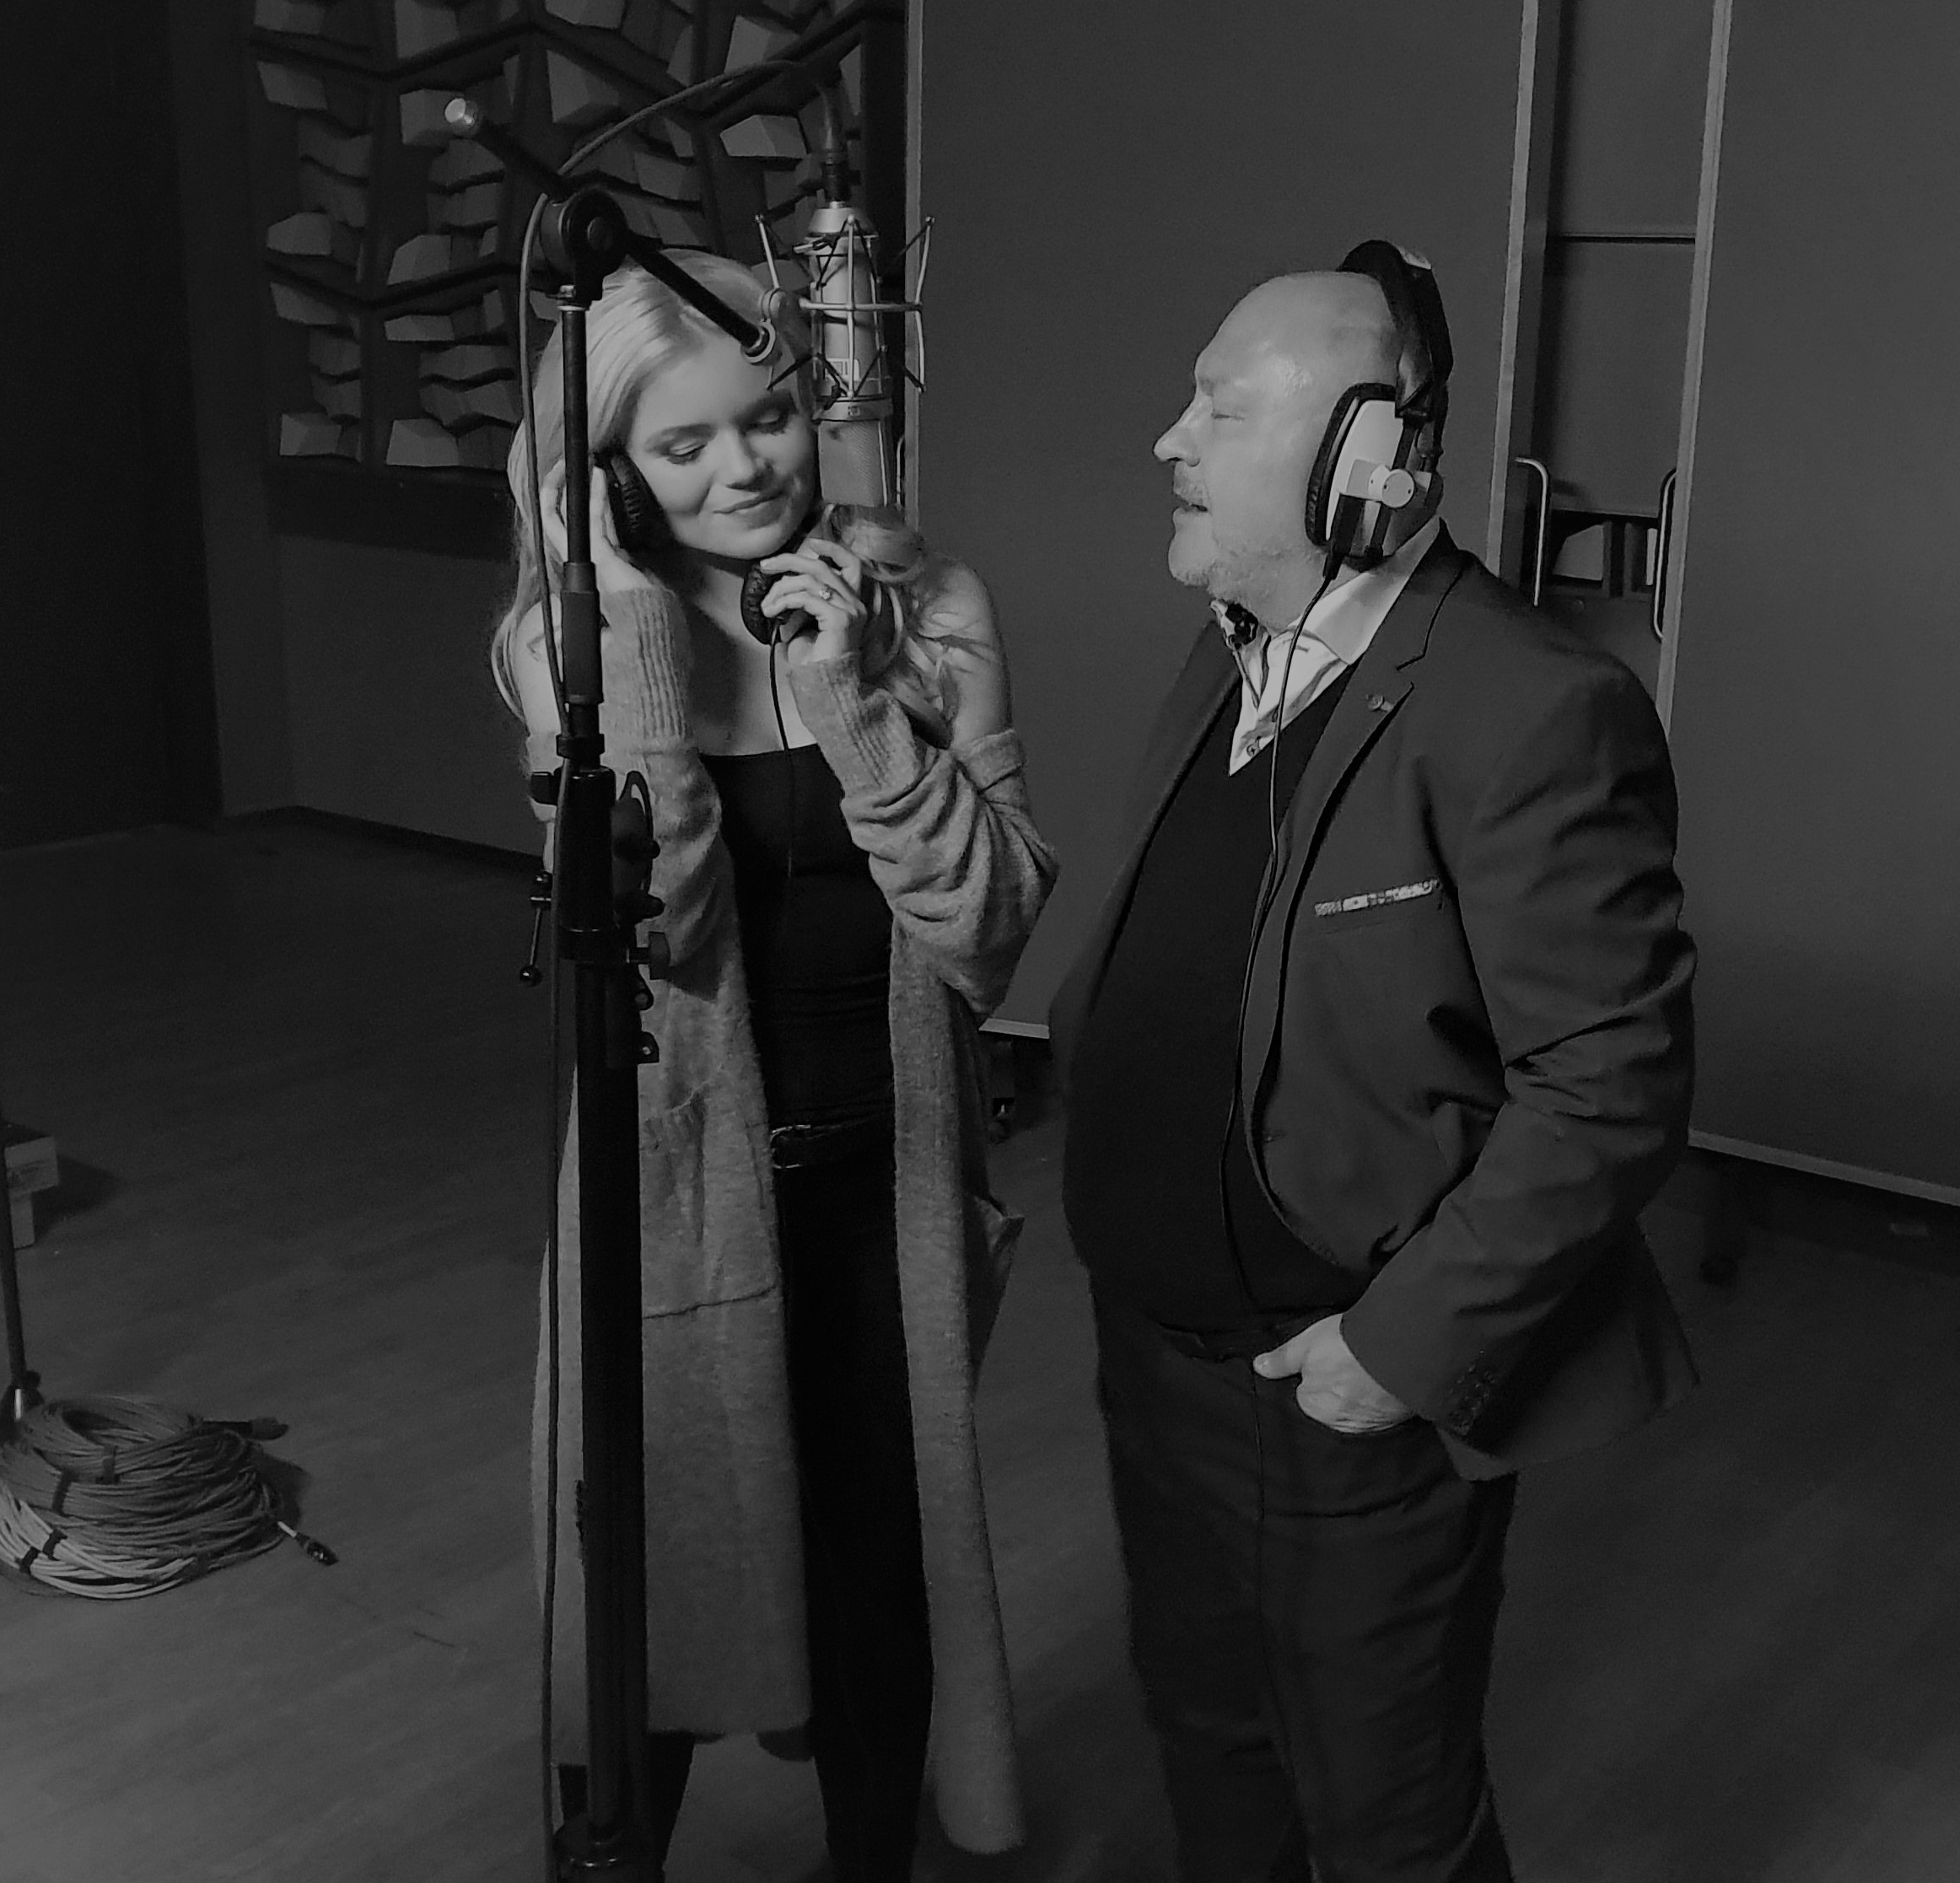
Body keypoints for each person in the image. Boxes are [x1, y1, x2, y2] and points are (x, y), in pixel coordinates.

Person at [1049, 245, 1699, 1882]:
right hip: (1157, 1360)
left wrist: (1394, 1349)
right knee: (1210, 1744)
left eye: (1219, 407)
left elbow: (1610, 1082)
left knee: (1386, 1813)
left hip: (1338, 1387)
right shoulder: (1231, 652)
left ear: (1366, 460)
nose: (1168, 438)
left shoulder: (1531, 707)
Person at [490, 250, 1057, 1877]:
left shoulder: (928, 606)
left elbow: (987, 925)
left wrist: (856, 701)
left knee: (879, 1573)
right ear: (605, 474)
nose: (748, 467)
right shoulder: (570, 650)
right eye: (683, 445)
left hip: (888, 1184)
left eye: (774, 415)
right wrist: (639, 643)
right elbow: (659, 931)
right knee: (650, 1578)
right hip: (676, 1196)